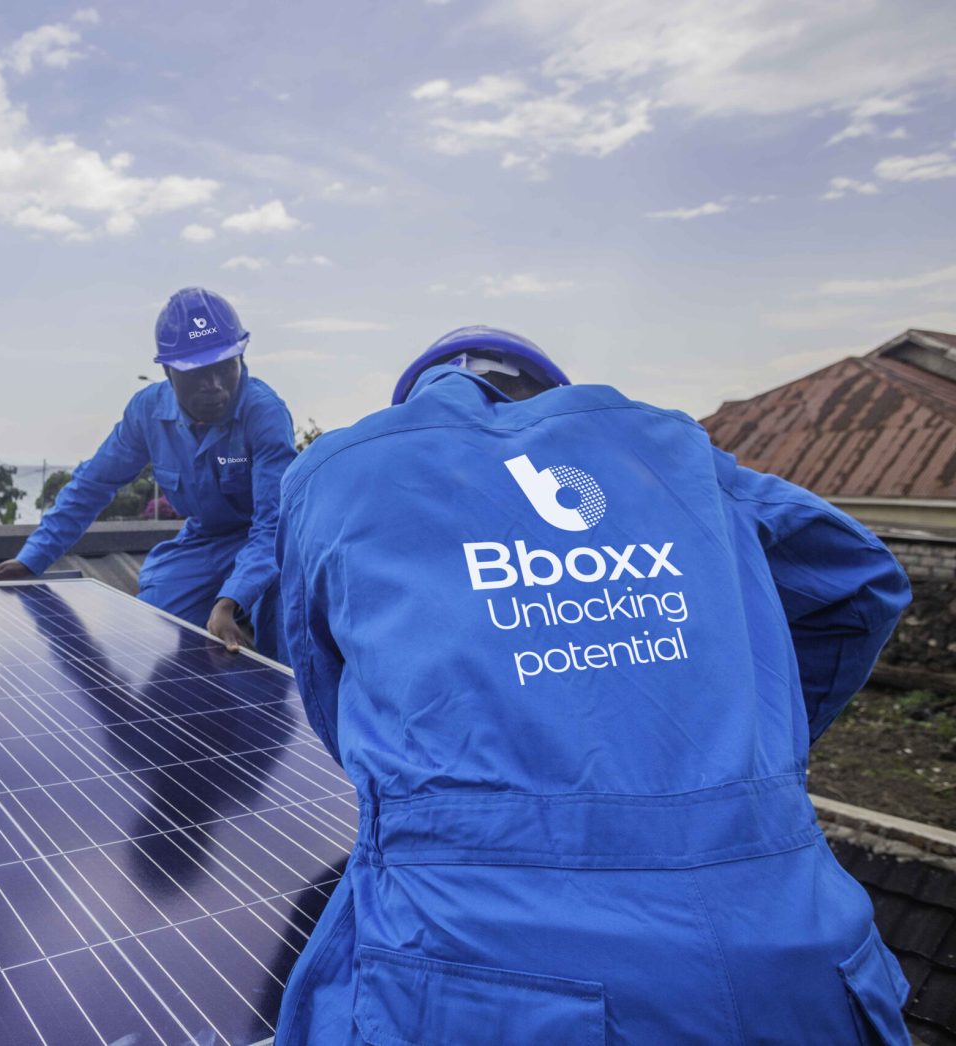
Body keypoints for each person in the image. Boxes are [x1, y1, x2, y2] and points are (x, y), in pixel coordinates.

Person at [274, 326, 913, 1044]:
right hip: (798, 957)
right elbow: (862, 582)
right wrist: (747, 753)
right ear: (551, 389)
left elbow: (326, 683)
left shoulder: (341, 472)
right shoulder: (669, 449)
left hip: (484, 975)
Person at [0, 287, 297, 661]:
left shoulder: (264, 413)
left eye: (225, 366)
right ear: (168, 371)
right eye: (199, 372)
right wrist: (33, 557)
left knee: (280, 630)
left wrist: (231, 599)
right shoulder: (146, 412)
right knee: (152, 629)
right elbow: (92, 485)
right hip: (203, 542)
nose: (214, 384)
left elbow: (272, 525)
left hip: (266, 544)